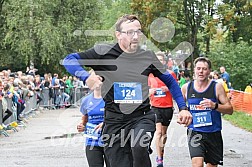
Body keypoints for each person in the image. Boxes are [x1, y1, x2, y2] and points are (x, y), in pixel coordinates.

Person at [63, 14, 192, 167]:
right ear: (118, 35)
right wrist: (86, 77)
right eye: (130, 32)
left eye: (139, 31)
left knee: (138, 145)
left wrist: (183, 108)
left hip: (141, 117)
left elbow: (170, 81)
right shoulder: (103, 53)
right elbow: (69, 60)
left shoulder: (147, 56)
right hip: (114, 121)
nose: (136, 36)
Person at [181, 57, 233, 167]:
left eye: (204, 69)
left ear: (209, 71)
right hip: (195, 132)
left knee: (212, 165)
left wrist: (215, 106)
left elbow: (230, 109)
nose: (201, 71)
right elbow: (181, 107)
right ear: (194, 70)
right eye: (198, 68)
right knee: (197, 164)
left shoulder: (217, 87)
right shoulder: (186, 87)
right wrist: (183, 113)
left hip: (213, 133)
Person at [148, 51, 177, 167]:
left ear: (164, 62)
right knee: (158, 132)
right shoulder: (149, 75)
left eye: (161, 60)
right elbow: (144, 90)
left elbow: (176, 89)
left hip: (167, 107)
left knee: (164, 134)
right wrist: (150, 92)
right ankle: (159, 160)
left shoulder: (170, 74)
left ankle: (161, 152)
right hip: (155, 106)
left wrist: (168, 88)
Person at [77, 73, 109, 167]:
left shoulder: (110, 99)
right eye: (94, 79)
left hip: (109, 140)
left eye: (99, 78)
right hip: (92, 141)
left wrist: (104, 123)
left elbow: (117, 117)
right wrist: (81, 126)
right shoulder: (86, 100)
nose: (97, 81)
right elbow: (84, 118)